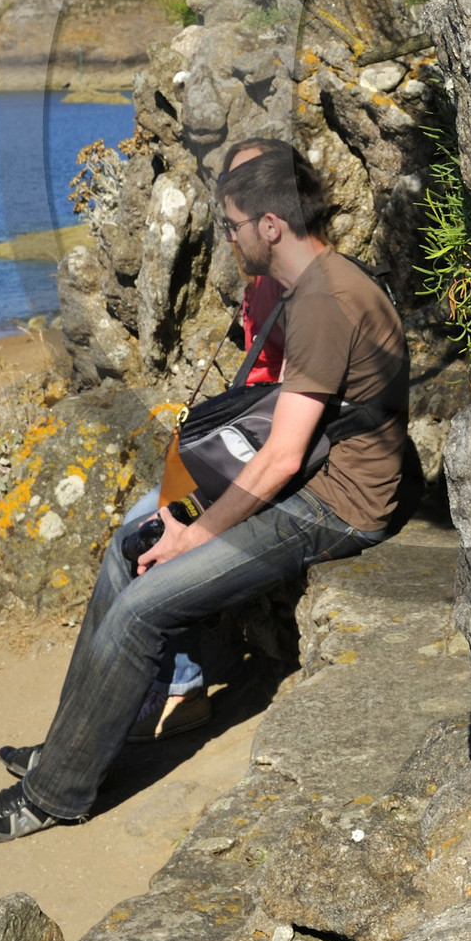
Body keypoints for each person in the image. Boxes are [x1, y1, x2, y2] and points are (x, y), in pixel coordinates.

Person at [0, 145, 411, 842]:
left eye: (231, 224)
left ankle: (54, 794)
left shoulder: (325, 298)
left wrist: (198, 531)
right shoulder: (312, 283)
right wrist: (182, 516)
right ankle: (71, 744)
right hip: (310, 478)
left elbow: (285, 455)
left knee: (144, 605)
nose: (224, 238)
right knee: (132, 546)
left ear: (269, 225)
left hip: (338, 505)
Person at [126, 134, 293, 745]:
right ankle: (170, 680)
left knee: (150, 528)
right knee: (144, 523)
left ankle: (181, 688)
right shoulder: (260, 274)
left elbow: (289, 400)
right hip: (237, 441)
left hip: (256, 450)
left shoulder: (288, 281)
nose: (230, 223)